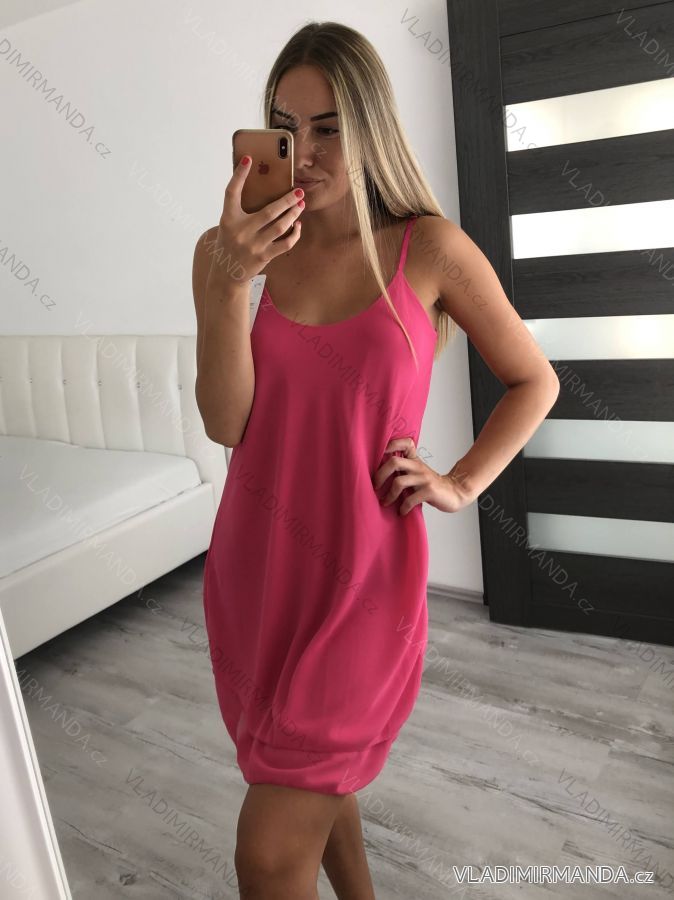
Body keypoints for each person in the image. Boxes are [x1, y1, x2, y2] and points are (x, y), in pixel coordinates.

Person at [192, 20, 559, 900]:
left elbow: (533, 380)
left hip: (365, 584)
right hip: (257, 572)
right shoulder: (229, 255)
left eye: (330, 127)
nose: (308, 152)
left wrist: (460, 482)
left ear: (371, 128)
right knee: (311, 777)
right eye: (287, 128)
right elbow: (224, 423)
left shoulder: (427, 249)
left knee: (268, 853)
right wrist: (229, 285)